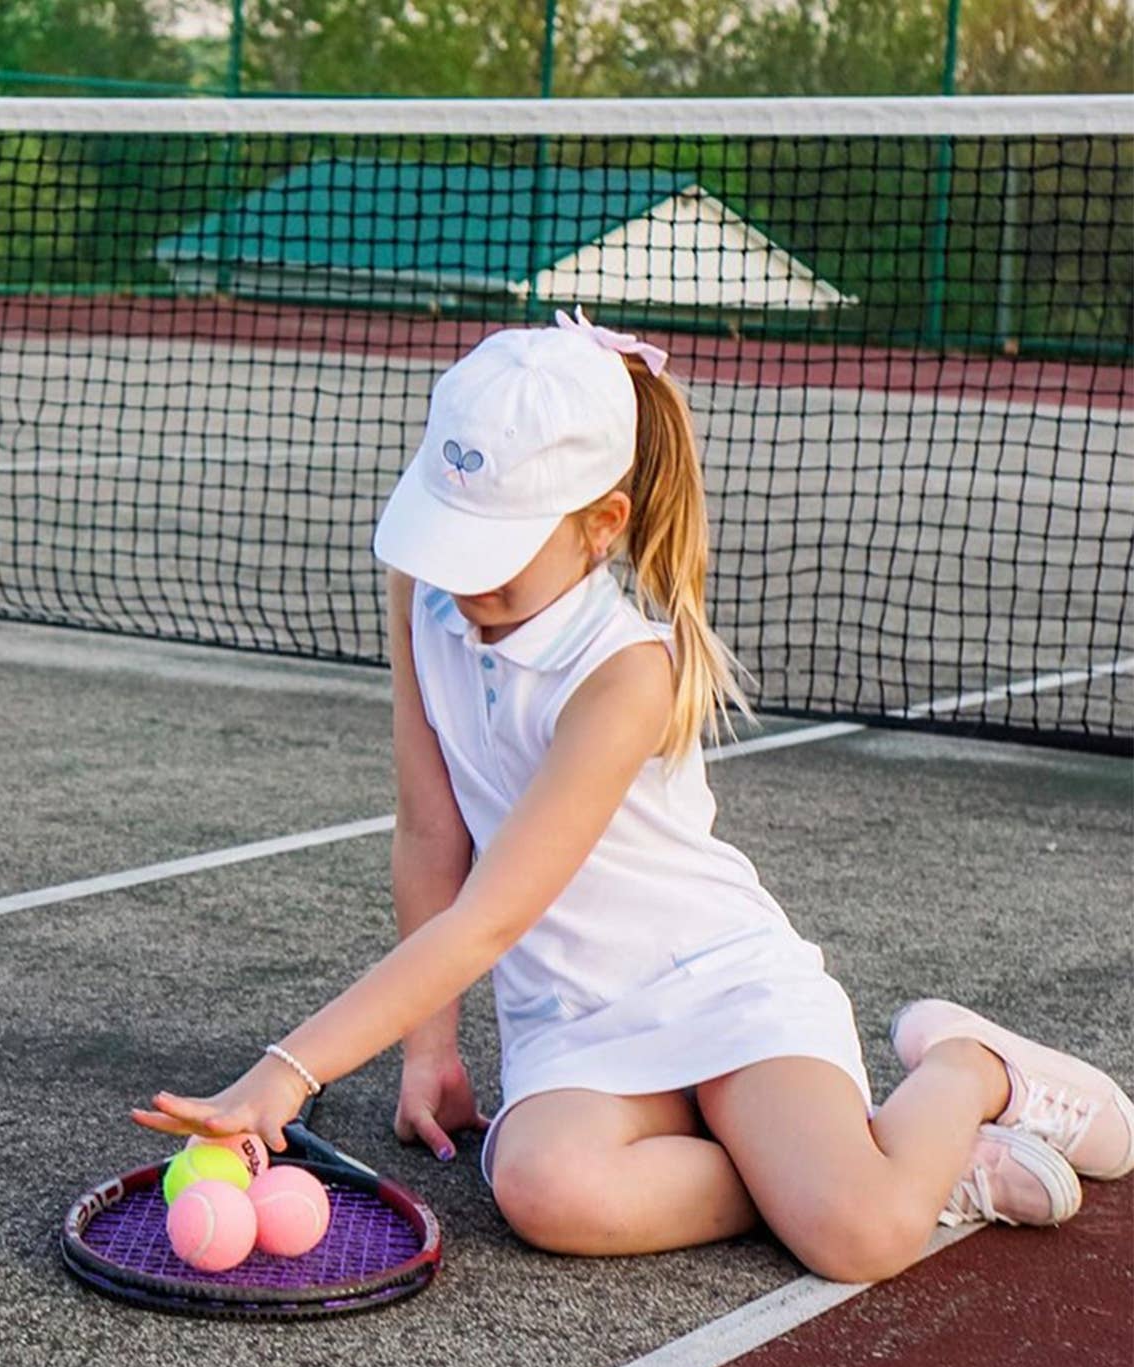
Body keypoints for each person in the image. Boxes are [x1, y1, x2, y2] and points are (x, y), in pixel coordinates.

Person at [133, 307, 1133, 1282]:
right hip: (573, 1022)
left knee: (861, 1239)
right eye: (451, 537)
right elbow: (431, 825)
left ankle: (964, 1071)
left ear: (602, 526)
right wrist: (429, 1048)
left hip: (722, 986)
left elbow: (488, 917)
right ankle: (833, 1164)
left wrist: (288, 1070)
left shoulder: (624, 673)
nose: (460, 577)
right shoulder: (420, 588)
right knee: (542, 1192)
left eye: (497, 554)